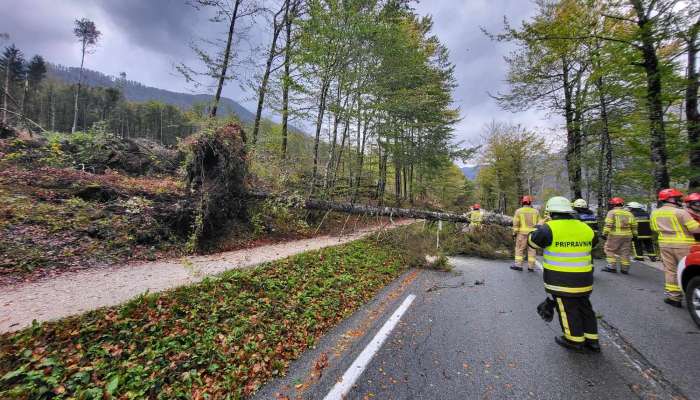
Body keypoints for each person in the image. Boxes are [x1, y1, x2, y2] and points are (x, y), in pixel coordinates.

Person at [528, 196, 599, 353]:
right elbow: (594, 243)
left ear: (550, 212)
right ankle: (592, 340)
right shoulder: (585, 228)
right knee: (585, 307)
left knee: (567, 310)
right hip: (585, 279)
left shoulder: (548, 228)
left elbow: (532, 242)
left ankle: (574, 340)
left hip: (561, 279)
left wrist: (538, 225)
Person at [651, 189, 700, 308]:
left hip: (664, 244)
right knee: (687, 270)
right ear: (670, 199)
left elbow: (654, 228)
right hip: (684, 245)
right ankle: (692, 293)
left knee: (670, 270)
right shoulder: (681, 213)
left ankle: (674, 297)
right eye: (677, 197)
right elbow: (695, 230)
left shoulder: (655, 213)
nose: (680, 199)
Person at [602, 197, 637, 274]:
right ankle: (625, 269)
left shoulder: (612, 212)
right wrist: (635, 235)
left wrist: (605, 233)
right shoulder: (629, 213)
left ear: (613, 204)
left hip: (615, 235)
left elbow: (609, 224)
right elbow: (634, 225)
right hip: (628, 236)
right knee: (625, 252)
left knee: (609, 249)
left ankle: (611, 266)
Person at [511, 195, 539, 272]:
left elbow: (516, 224)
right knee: (532, 250)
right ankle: (531, 267)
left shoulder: (518, 211)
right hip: (533, 234)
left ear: (522, 202)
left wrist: (514, 233)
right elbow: (539, 223)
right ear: (530, 202)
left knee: (519, 249)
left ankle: (518, 265)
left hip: (521, 234)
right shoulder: (536, 211)